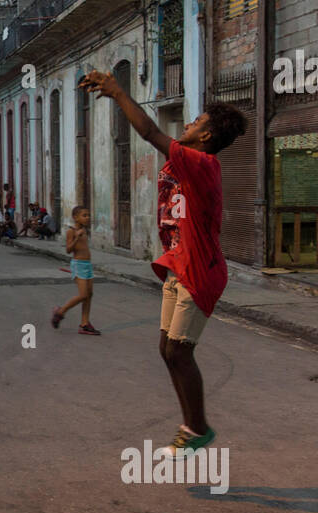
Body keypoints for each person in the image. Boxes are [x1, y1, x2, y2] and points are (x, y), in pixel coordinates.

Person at [80, 69, 247, 458]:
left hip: (200, 270)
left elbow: (150, 133)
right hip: (178, 265)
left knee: (179, 351)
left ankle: (197, 429)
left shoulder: (201, 165)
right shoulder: (186, 164)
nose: (189, 123)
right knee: (166, 349)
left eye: (197, 122)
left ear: (206, 137)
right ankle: (192, 428)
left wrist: (117, 91)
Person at [52, 206, 100, 335]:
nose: (87, 218)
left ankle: (84, 324)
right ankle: (60, 312)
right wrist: (77, 237)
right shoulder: (71, 231)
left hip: (87, 265)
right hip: (78, 265)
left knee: (89, 295)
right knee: (83, 294)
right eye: (84, 215)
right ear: (75, 217)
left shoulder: (84, 230)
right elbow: (68, 250)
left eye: (88, 215)